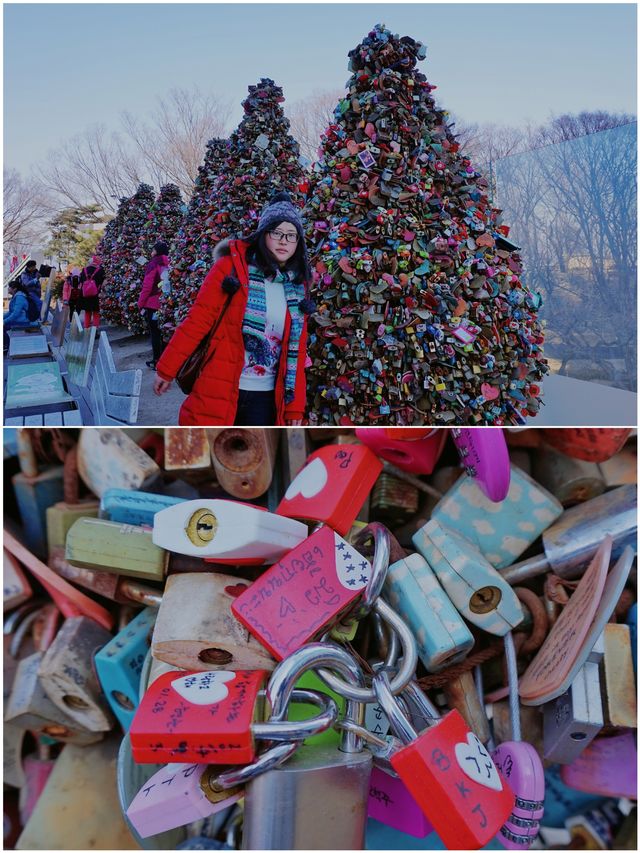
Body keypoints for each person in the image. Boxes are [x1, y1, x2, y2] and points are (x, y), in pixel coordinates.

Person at [153, 192, 313, 426]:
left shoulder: (298, 287)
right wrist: (166, 369)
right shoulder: (231, 269)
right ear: (262, 235)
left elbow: (296, 351)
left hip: (267, 398)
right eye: (276, 232)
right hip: (221, 386)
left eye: (291, 235)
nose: (283, 241)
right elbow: (198, 320)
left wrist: (294, 409)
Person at [138, 241, 170, 369]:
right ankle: (167, 360)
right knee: (166, 331)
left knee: (155, 332)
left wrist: (140, 303)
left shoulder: (153, 264)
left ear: (157, 251)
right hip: (166, 302)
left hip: (153, 303)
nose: (151, 252)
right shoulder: (170, 263)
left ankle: (157, 361)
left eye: (153, 249)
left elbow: (147, 286)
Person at [3, 279, 40, 349]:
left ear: (14, 289)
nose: (8, 288)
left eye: (9, 287)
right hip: (19, 319)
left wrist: (4, 321)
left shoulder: (19, 297)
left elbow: (15, 314)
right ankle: (6, 344)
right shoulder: (16, 296)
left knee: (3, 327)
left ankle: (6, 346)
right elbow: (11, 312)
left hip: (23, 321)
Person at [78, 255, 104, 329]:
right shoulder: (100, 271)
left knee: (87, 312)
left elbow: (81, 282)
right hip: (95, 294)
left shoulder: (84, 270)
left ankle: (86, 328)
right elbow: (102, 283)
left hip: (85, 294)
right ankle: (95, 329)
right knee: (96, 312)